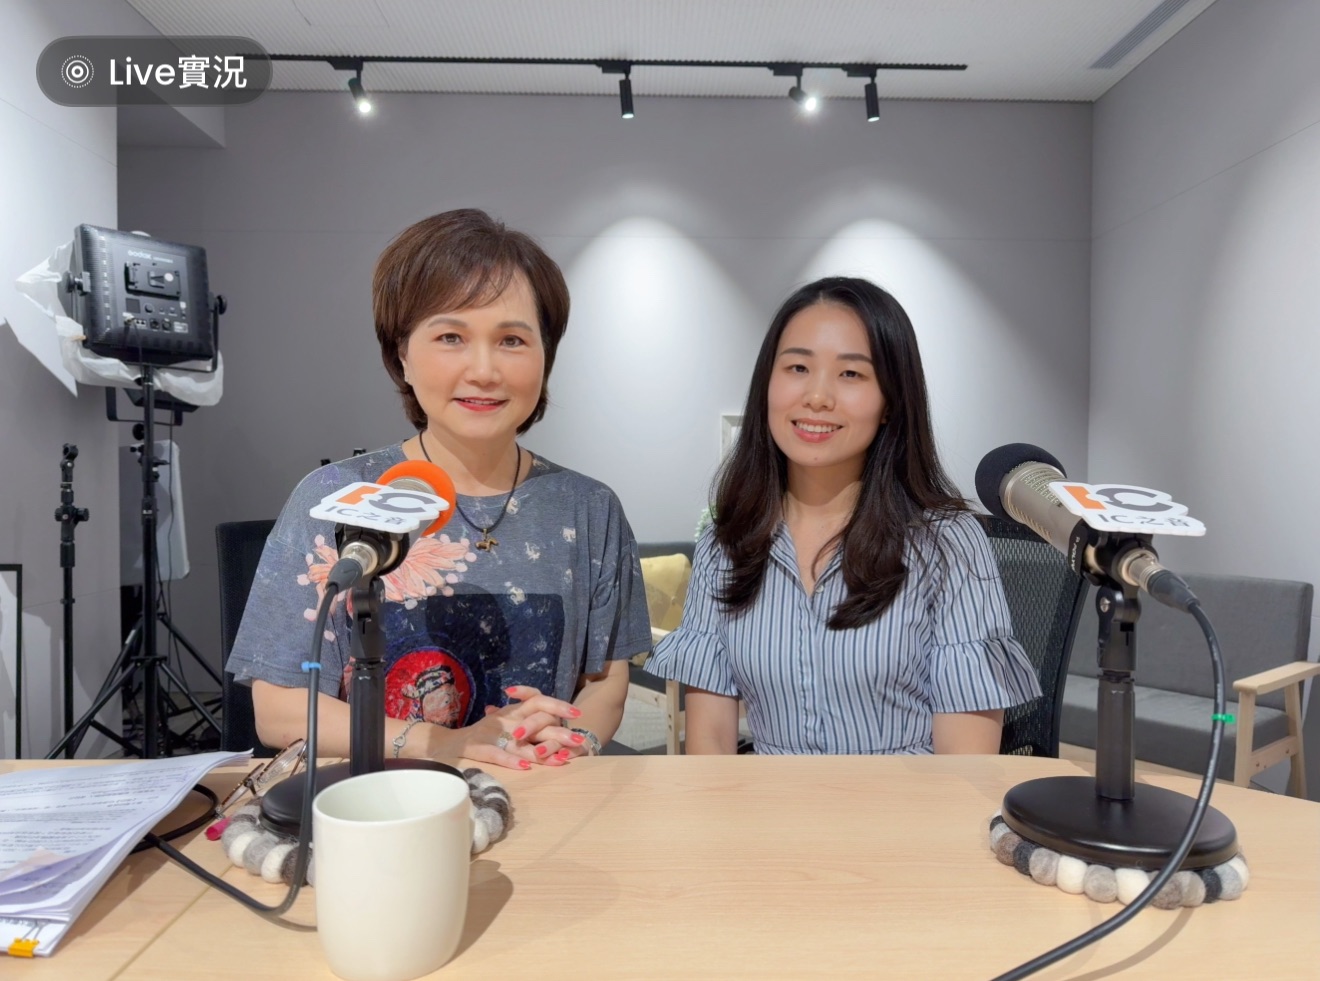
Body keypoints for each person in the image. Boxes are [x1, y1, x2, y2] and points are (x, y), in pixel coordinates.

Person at [227, 209, 652, 770]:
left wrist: (572, 739)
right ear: (401, 354)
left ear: (545, 357)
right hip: (377, 803)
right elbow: (280, 710)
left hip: (540, 795)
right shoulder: (333, 499)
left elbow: (605, 681)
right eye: (451, 337)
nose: (484, 370)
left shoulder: (589, 508)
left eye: (512, 340)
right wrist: (442, 745)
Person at [646, 276, 1040, 755]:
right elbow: (709, 744)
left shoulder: (947, 542)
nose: (817, 397)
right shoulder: (726, 544)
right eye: (797, 367)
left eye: (851, 374)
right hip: (766, 798)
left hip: (908, 799)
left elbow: (966, 764)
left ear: (890, 401)